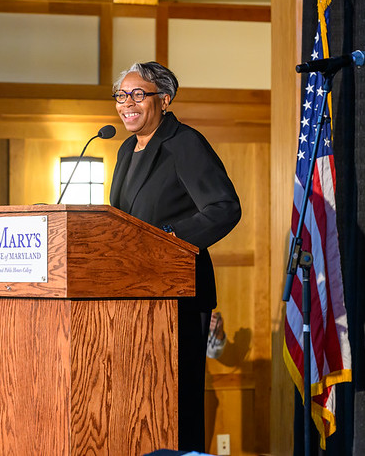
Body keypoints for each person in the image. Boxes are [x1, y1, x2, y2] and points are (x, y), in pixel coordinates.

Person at [109, 61, 241, 451]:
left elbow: (224, 207)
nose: (126, 104)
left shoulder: (185, 143)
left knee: (174, 402)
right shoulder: (125, 149)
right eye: (121, 95)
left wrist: (168, 239)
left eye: (137, 95)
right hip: (132, 295)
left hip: (178, 294)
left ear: (163, 100)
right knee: (138, 400)